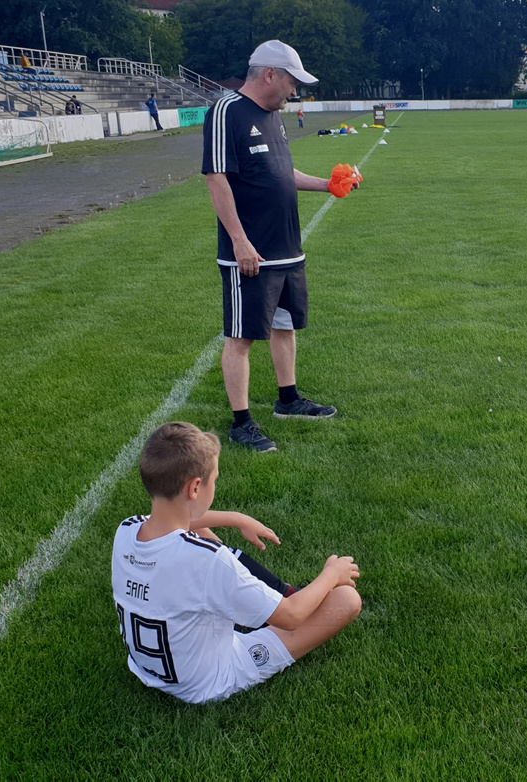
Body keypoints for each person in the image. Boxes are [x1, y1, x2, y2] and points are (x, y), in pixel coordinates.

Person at [111, 421, 362, 704]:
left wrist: (236, 518)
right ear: (195, 487)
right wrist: (331, 573)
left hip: (151, 668)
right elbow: (291, 617)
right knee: (346, 599)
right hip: (208, 684)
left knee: (196, 543)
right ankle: (257, 604)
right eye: (214, 480)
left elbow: (175, 522)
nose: (214, 485)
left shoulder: (126, 530)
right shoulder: (208, 560)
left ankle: (247, 599)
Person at [202, 40, 340, 452]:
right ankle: (241, 422)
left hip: (287, 248)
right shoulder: (227, 112)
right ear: (269, 75)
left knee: (285, 326)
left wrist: (327, 185)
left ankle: (288, 399)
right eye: (291, 82)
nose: (294, 92)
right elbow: (216, 179)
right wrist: (240, 241)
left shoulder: (273, 117)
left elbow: (282, 170)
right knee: (241, 337)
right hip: (251, 253)